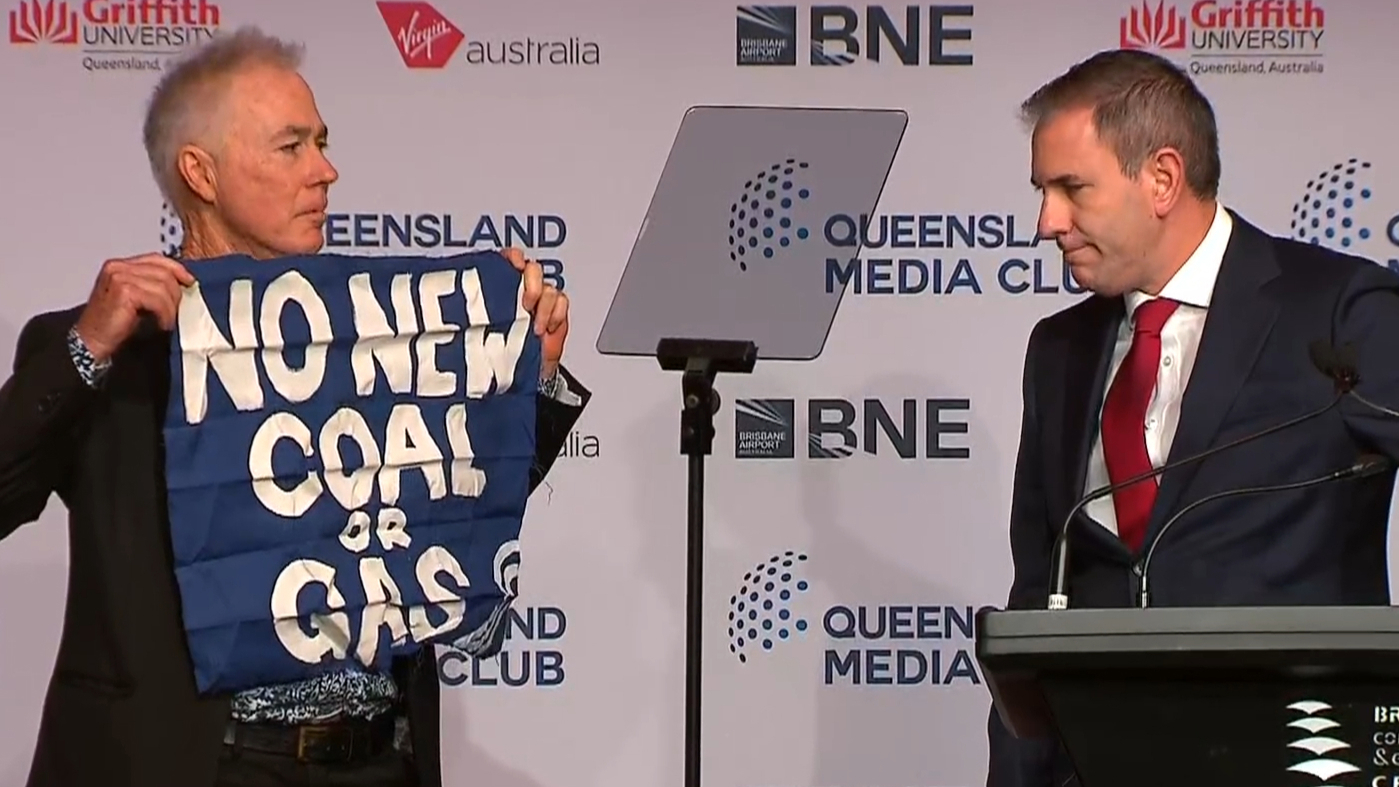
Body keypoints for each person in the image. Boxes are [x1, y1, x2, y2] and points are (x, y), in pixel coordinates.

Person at [1, 26, 590, 787]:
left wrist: (520, 386)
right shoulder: (104, 349)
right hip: (198, 763)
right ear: (200, 173)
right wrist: (87, 347)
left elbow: (451, 512)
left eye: (322, 142)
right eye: (291, 148)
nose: (326, 171)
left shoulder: (376, 334)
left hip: (378, 759)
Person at [987, 48, 1399, 787]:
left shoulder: (1337, 311)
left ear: (1162, 179)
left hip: (1299, 761)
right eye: (1042, 190)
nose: (1045, 221)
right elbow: (1034, 607)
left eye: (1070, 188)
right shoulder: (1058, 349)